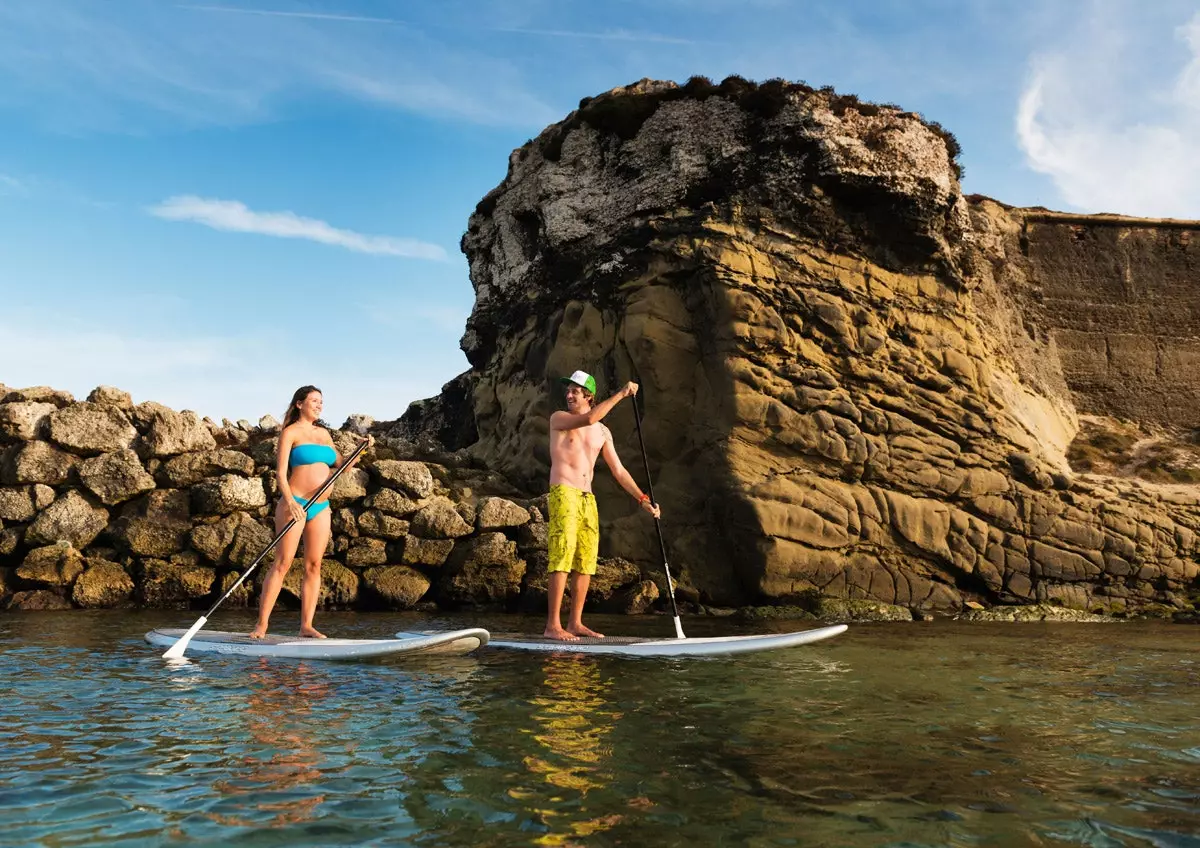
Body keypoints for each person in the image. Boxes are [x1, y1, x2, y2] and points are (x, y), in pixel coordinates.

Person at [545, 370, 661, 641]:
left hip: (587, 499)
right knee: (562, 555)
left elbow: (619, 471)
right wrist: (621, 393)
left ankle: (575, 623)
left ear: (588, 395)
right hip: (564, 492)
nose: (569, 394)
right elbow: (590, 417)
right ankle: (552, 625)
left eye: (575, 390)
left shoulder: (603, 432)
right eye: (568, 390)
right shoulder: (560, 419)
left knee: (585, 560)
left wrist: (643, 499)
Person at [250, 385, 369, 639]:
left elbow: (343, 466)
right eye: (314, 400)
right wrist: (290, 501)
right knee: (282, 564)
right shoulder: (290, 433)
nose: (319, 405)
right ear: (299, 404)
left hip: (322, 507)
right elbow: (281, 474)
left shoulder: (324, 434)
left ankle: (306, 626)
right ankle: (261, 626)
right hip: (295, 504)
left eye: (321, 401)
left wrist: (361, 448)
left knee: (314, 565)